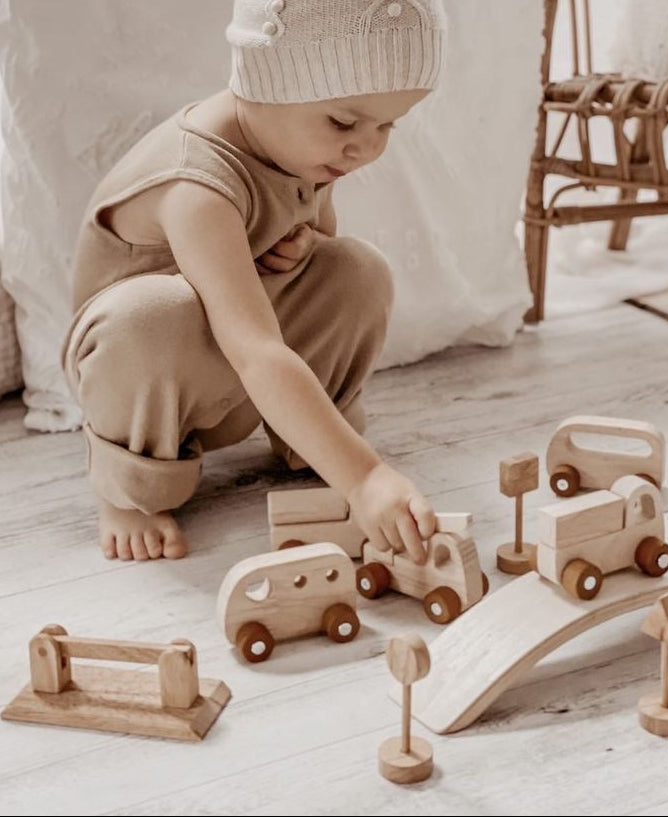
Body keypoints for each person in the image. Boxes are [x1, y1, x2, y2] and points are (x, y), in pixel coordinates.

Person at [62, 0, 447, 564]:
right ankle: (128, 490)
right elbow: (255, 348)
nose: (365, 147)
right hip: (150, 386)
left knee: (356, 269)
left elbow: (316, 250)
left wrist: (305, 245)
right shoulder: (198, 185)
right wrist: (365, 478)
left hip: (238, 373)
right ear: (268, 81)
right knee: (151, 316)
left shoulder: (304, 149)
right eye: (344, 122)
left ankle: (315, 443)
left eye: (387, 124)